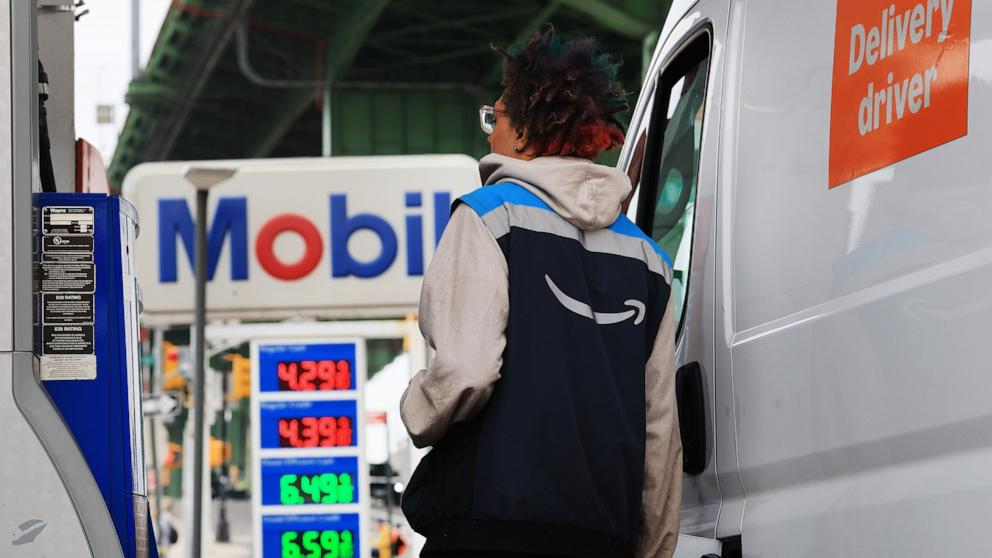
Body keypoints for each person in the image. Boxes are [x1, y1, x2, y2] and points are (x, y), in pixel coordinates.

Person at [400, 25, 682, 558]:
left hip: (488, 528)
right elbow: (659, 432)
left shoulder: (488, 217)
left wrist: (417, 408)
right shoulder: (650, 260)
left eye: (495, 117)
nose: (489, 132)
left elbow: (467, 370)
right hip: (603, 536)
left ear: (525, 135)